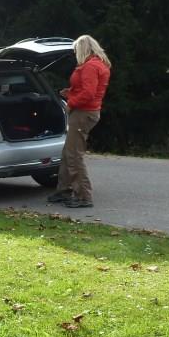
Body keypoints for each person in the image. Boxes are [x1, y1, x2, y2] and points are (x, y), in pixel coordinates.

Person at [47, 35, 112, 208]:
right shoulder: (98, 64)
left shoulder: (90, 66)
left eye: (76, 50)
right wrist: (71, 92)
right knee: (68, 152)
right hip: (88, 111)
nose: (75, 53)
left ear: (83, 48)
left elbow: (89, 93)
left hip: (83, 113)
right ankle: (64, 190)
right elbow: (87, 89)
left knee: (74, 155)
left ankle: (83, 196)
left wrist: (71, 103)